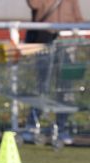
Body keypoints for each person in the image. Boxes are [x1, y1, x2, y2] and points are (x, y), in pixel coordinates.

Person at [25, 0, 83, 144]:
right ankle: (32, 126)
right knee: (42, 86)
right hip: (45, 41)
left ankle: (61, 128)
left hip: (67, 45)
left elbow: (78, 17)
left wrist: (77, 32)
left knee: (65, 89)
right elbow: (34, 5)